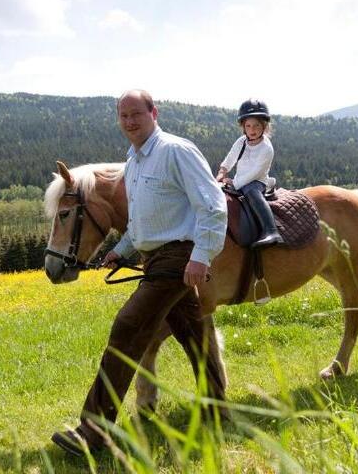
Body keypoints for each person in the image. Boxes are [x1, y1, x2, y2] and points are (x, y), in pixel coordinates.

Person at [51, 89, 228, 456]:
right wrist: (121, 250)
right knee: (194, 334)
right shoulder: (133, 163)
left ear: (154, 113)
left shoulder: (175, 151)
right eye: (124, 116)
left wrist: (202, 255)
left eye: (137, 114)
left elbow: (213, 205)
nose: (130, 122)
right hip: (155, 256)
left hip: (178, 256)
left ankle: (93, 433)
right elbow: (143, 223)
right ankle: (217, 405)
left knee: (128, 327)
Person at [215, 99, 282, 248]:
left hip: (257, 181)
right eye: (248, 125)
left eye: (257, 125)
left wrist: (234, 182)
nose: (252, 129)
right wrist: (222, 171)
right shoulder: (241, 142)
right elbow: (231, 157)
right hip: (240, 180)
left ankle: (271, 231)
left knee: (251, 192)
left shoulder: (266, 148)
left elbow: (255, 172)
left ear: (264, 126)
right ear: (244, 127)